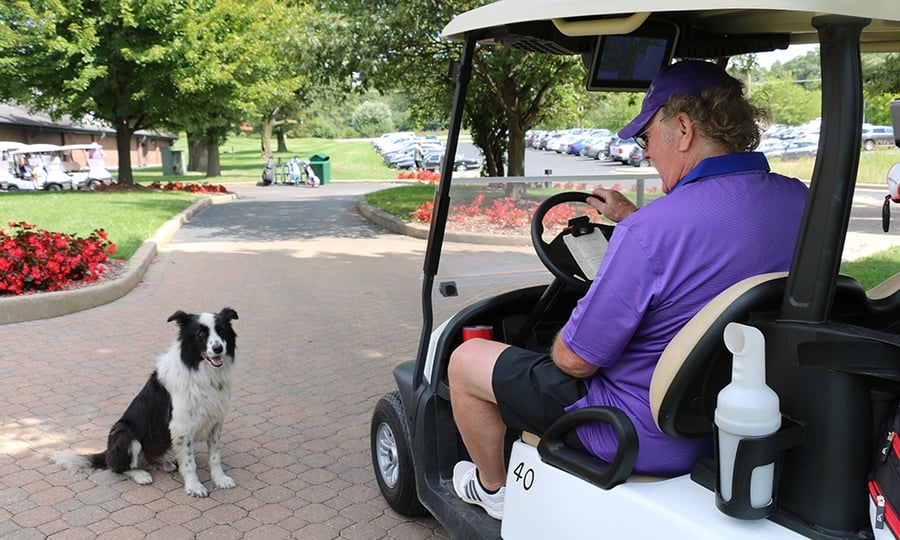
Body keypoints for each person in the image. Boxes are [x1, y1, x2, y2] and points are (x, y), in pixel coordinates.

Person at [447, 60, 810, 520]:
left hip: (637, 432)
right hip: (738, 419)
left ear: (681, 129)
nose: (645, 153)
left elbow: (575, 361)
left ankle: (493, 488)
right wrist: (633, 219)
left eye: (646, 138)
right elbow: (714, 243)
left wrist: (633, 232)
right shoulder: (799, 200)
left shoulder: (649, 233)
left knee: (464, 362)